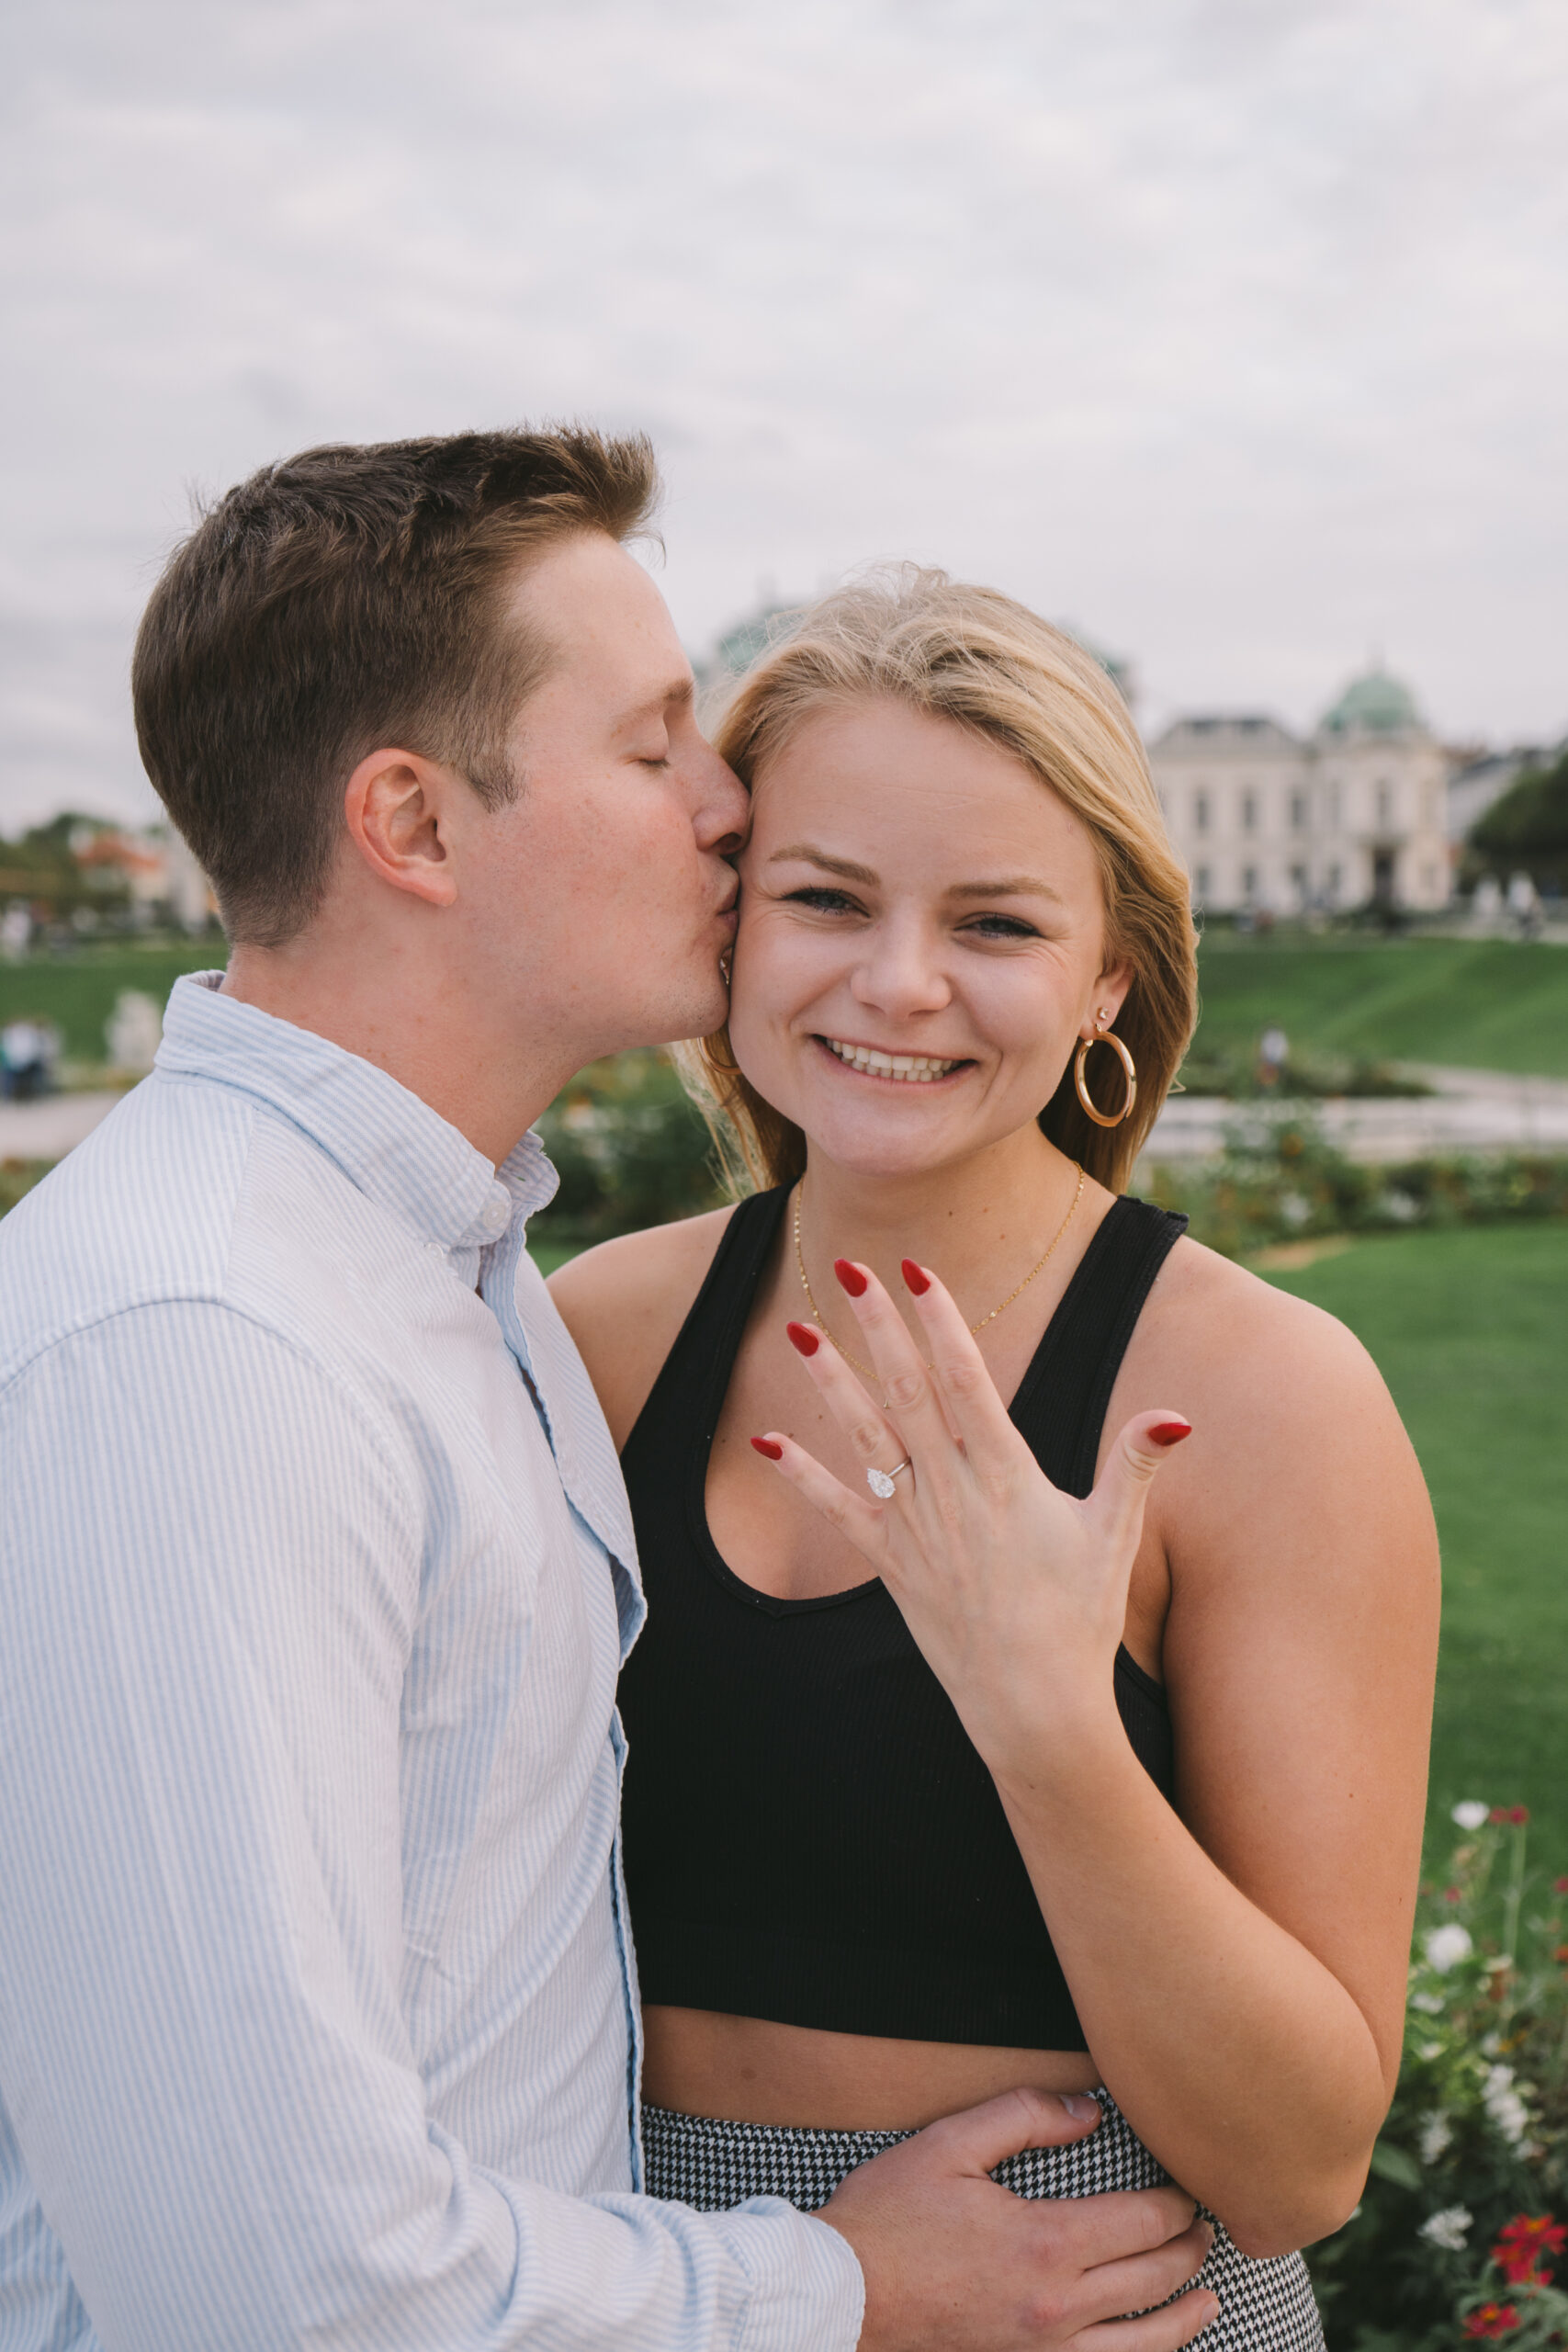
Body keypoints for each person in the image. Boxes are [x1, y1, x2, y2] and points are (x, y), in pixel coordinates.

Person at [0, 433, 1221, 2352]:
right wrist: (827, 2280)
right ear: (410, 824)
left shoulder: (448, 1277)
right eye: (655, 747)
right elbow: (271, 2288)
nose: (728, 803)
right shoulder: (202, 1344)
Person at [550, 571, 1440, 2348]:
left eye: (998, 925)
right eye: (823, 897)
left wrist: (1050, 1722)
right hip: (661, 2284)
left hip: (1095, 2300)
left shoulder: (1269, 1403)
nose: (901, 982)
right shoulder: (602, 1338)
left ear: (1110, 972)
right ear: (731, 921)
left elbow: (1298, 2172)